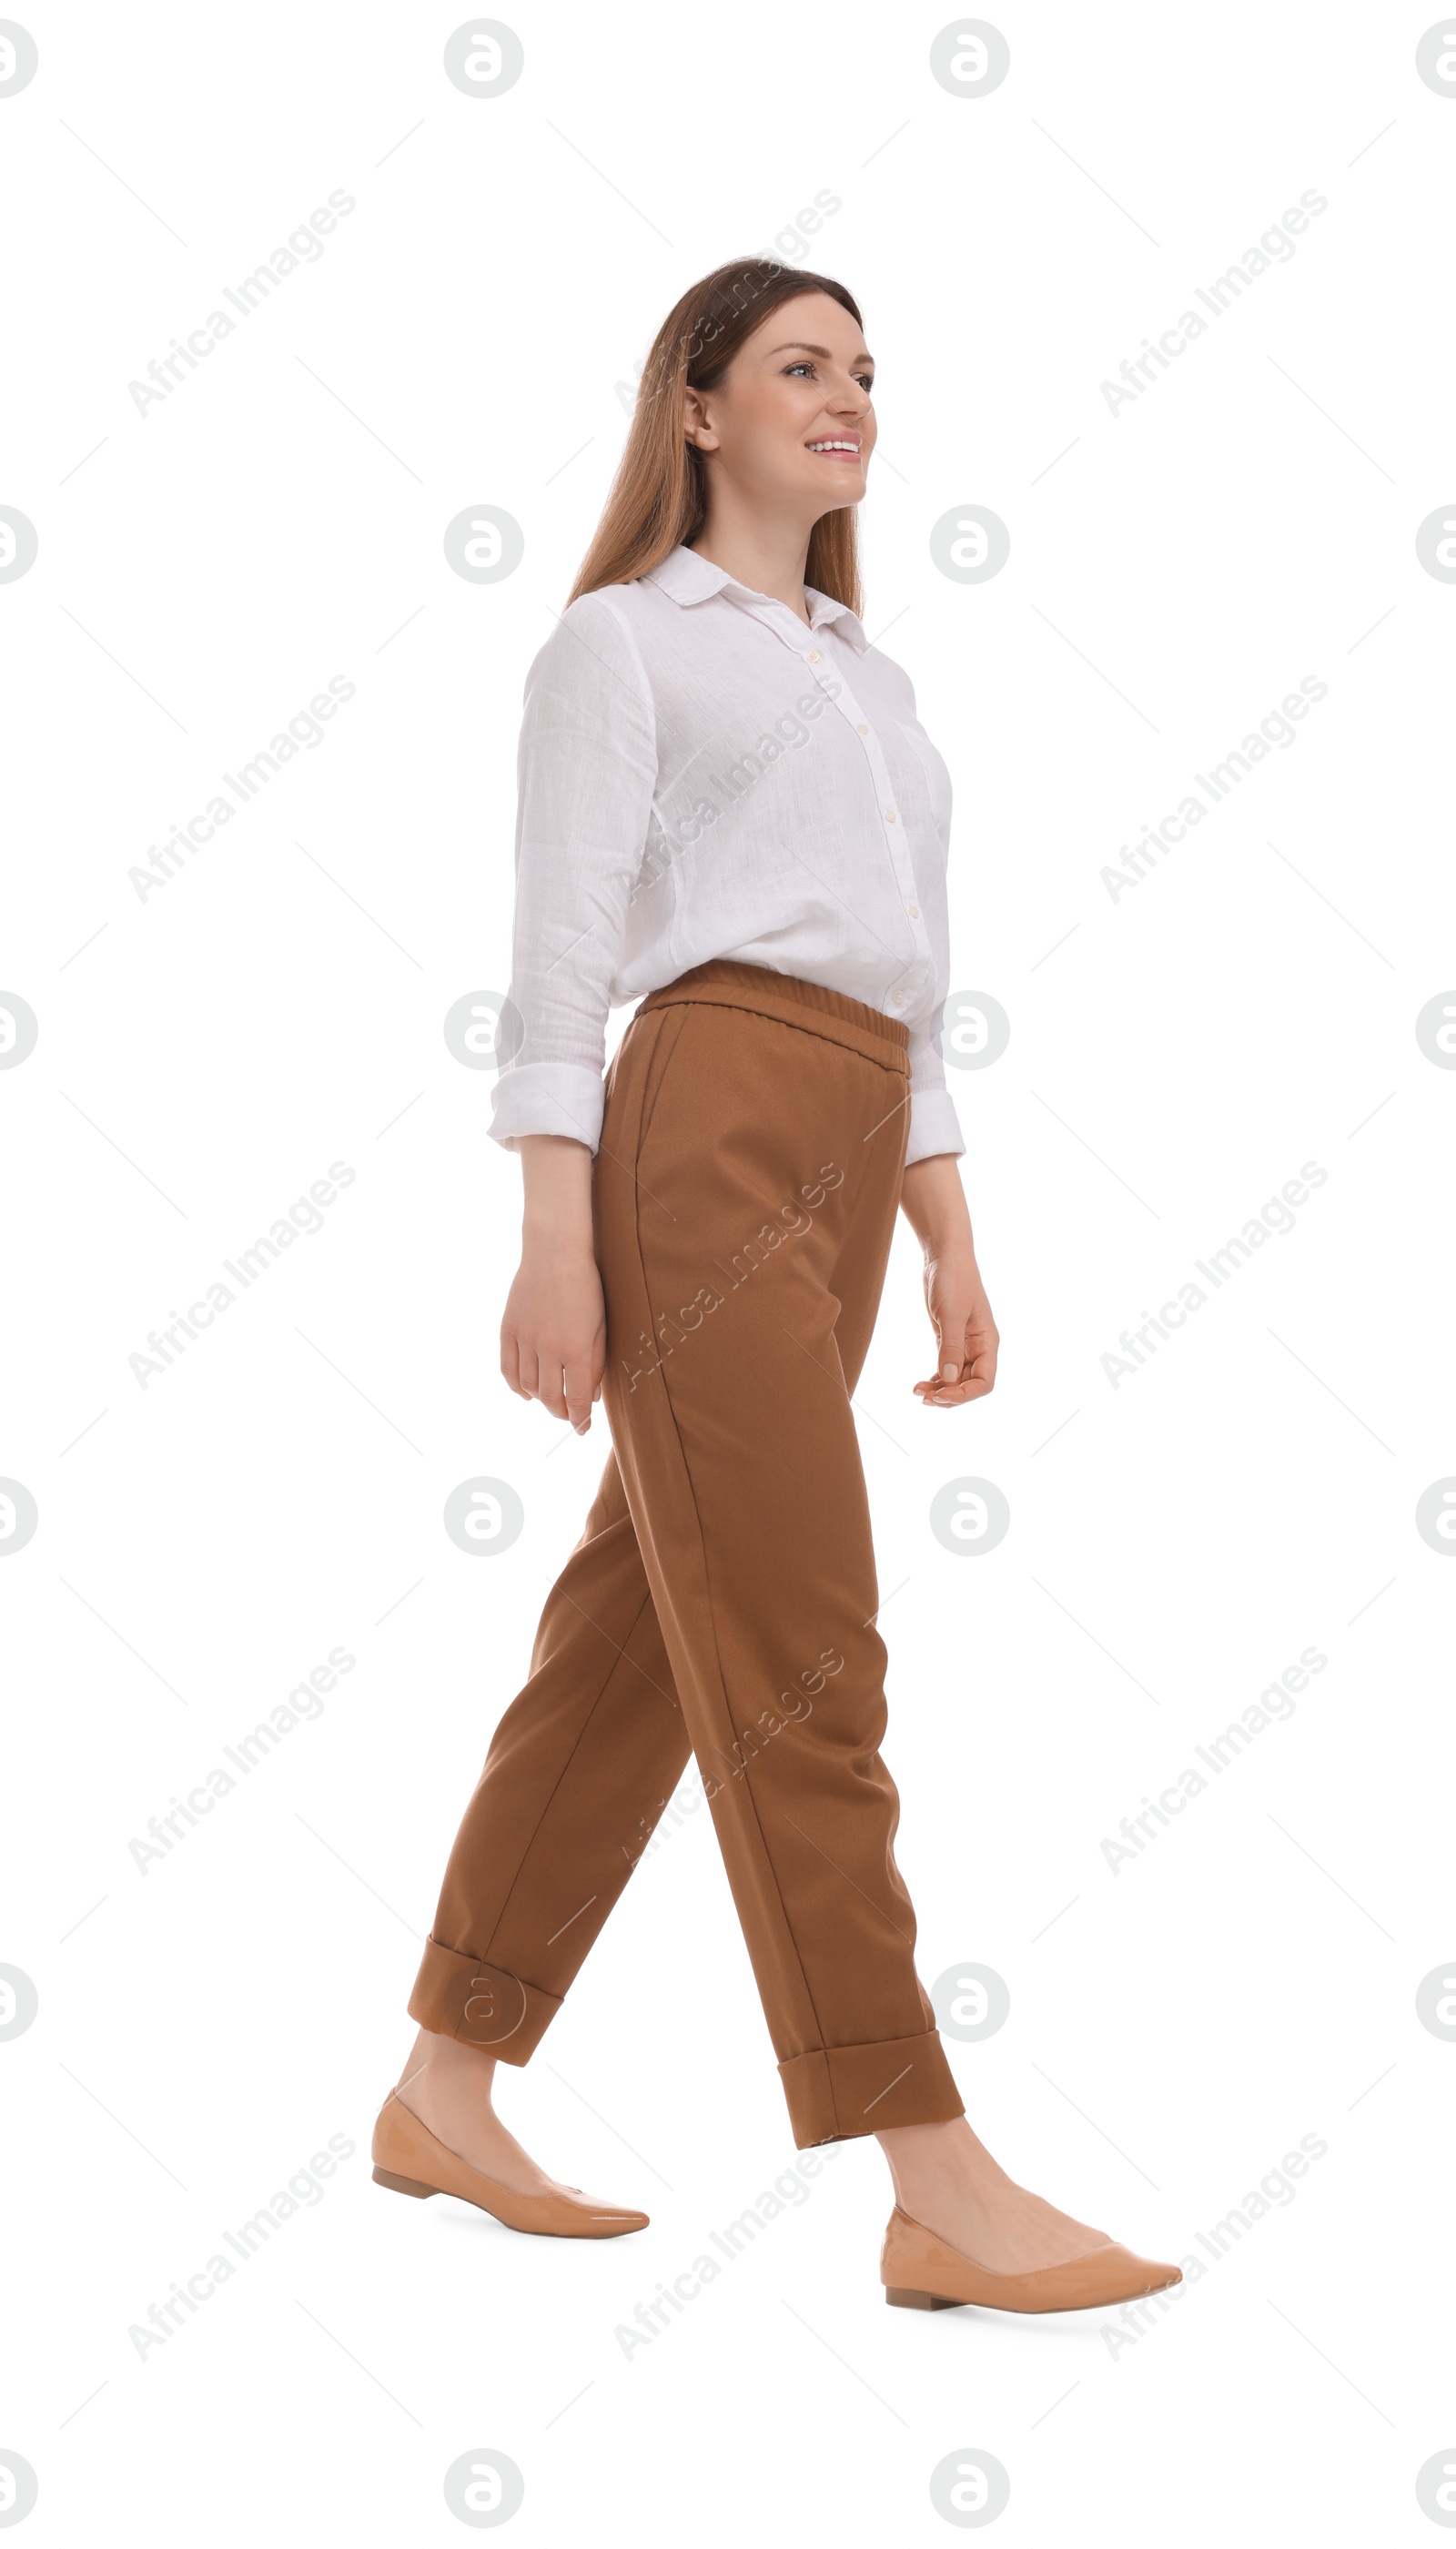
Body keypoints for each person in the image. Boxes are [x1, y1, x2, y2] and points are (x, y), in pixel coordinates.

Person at [373, 259, 1179, 2315]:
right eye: (800, 368)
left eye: (864, 374)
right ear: (699, 409)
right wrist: (549, 1229)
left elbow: (903, 965)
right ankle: (923, 2160)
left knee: (645, 1632)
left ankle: (442, 2083)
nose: (847, 400)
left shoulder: (868, 679)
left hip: (841, 1154)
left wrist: (942, 1217)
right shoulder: (618, 646)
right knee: (811, 1652)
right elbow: (561, 956)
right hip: (700, 1124)